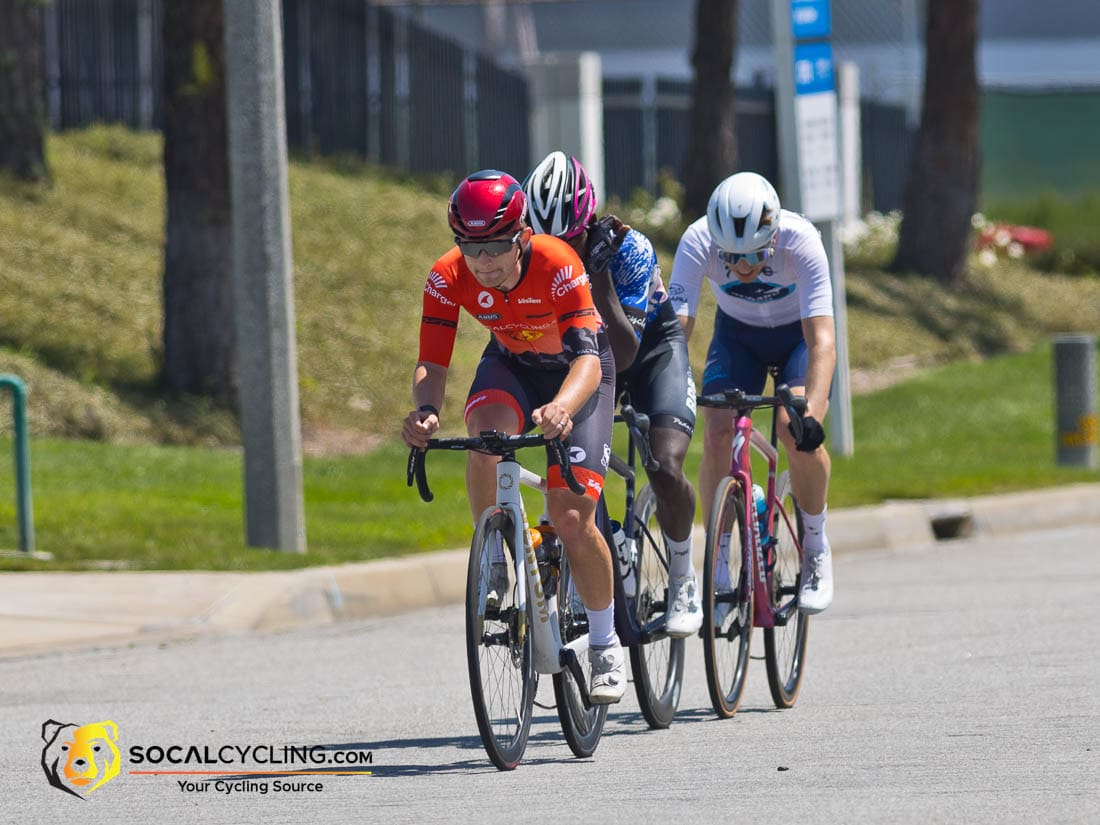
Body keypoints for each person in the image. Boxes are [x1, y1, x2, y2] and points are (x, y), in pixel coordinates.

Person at [402, 169, 626, 703]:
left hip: (578, 372)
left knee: (571, 515)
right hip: (512, 364)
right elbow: (431, 363)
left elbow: (589, 361)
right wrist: (427, 411)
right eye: (470, 248)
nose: (484, 263)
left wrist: (563, 409)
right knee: (484, 440)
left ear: (522, 234)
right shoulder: (445, 276)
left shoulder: (557, 263)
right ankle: (496, 561)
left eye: (497, 247)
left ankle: (604, 642)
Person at [522, 151, 702, 637]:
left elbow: (622, 354)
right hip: (584, 358)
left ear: (588, 222)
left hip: (647, 353)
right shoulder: (524, 257)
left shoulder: (630, 250)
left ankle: (683, 576)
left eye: (570, 240)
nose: (558, 252)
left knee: (663, 466)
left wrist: (596, 275)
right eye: (546, 242)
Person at [667, 171, 835, 614]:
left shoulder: (802, 241)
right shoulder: (697, 240)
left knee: (791, 428)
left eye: (756, 255)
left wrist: (812, 416)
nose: (743, 268)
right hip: (737, 337)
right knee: (718, 428)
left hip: (796, 339)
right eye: (731, 257)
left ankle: (816, 547)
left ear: (775, 235)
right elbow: (676, 332)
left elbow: (822, 341)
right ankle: (719, 557)